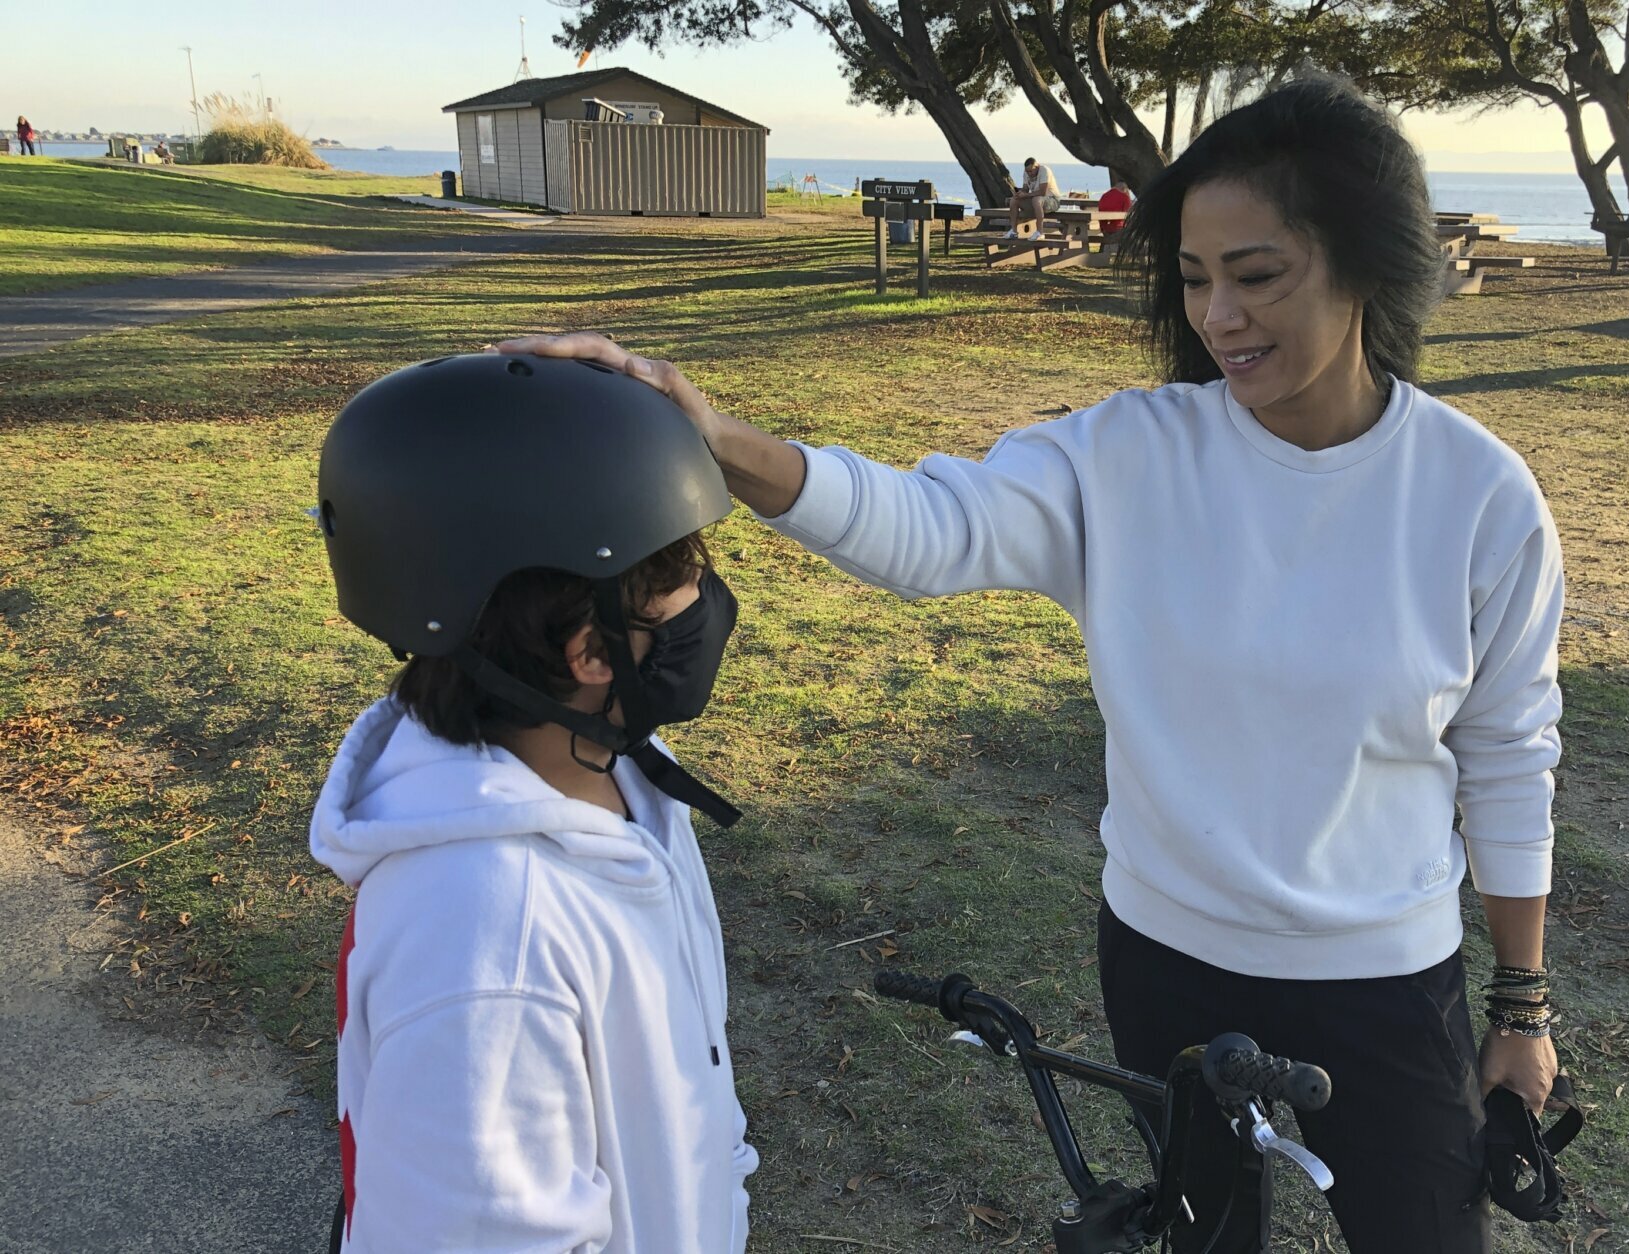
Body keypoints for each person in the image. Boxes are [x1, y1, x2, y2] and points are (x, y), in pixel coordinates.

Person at [501, 71, 1565, 1254]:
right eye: (1193, 279)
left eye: (1257, 275)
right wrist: (718, 442)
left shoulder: (1476, 497)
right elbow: (929, 525)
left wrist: (1520, 1006)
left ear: (1365, 265)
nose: (1218, 317)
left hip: (1384, 980)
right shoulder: (1127, 456)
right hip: (1167, 962)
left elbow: (1506, 753)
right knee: (1204, 1239)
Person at [309, 353, 758, 1253]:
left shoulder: (624, 774)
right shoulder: (486, 943)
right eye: (678, 579)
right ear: (590, 653)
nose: (703, 603)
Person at [1004, 156, 1060, 241]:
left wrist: (1026, 195)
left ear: (1036, 167)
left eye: (1031, 171)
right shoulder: (1026, 173)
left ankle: (1040, 232)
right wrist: (1019, 193)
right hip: (1036, 201)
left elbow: (1043, 192)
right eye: (1027, 171)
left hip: (1052, 200)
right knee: (1014, 200)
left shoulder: (1044, 170)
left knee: (1036, 199)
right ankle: (1014, 231)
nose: (1029, 173)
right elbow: (1026, 189)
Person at [1096, 170, 1133, 236]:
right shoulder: (1124, 197)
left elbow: (1100, 210)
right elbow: (1128, 214)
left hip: (1105, 229)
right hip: (1119, 229)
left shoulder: (1104, 196)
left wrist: (1103, 229)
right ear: (1124, 188)